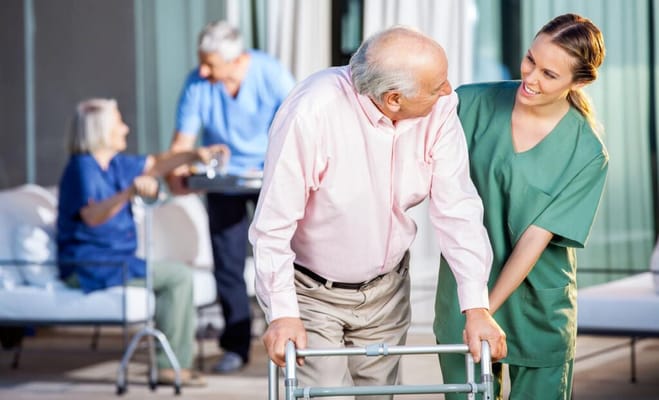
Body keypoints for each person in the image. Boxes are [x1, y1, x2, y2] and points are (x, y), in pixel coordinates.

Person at [249, 26, 507, 398]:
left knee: (379, 395)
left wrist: (477, 308)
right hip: (312, 291)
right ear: (393, 99)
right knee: (321, 393)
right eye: (437, 86)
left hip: (387, 288)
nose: (449, 91)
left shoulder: (440, 109)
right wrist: (283, 313)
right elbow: (272, 225)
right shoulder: (312, 112)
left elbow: (458, 210)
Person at [434, 13, 608, 399]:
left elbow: (535, 239)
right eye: (530, 60)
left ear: (578, 82)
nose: (530, 78)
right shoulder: (470, 104)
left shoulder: (587, 153)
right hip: (465, 296)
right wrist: (473, 310)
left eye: (549, 74)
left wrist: (484, 310)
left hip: (537, 305)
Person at [57, 98, 225, 386]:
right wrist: (128, 194)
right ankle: (167, 366)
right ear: (100, 130)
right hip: (90, 265)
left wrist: (193, 155)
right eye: (118, 122)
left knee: (176, 273)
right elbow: (93, 216)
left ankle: (170, 362)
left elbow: (158, 163)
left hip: (120, 262)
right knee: (177, 276)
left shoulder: (117, 164)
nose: (126, 128)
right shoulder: (82, 168)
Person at [165, 20, 296, 374]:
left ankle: (298, 340)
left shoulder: (270, 73)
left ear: (236, 59)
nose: (202, 69)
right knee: (228, 264)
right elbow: (183, 142)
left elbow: (301, 126)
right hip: (225, 182)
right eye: (201, 62)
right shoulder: (198, 83)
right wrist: (176, 172)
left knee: (292, 256)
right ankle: (236, 346)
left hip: (272, 177)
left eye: (210, 63)